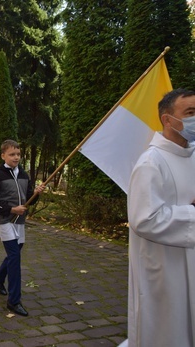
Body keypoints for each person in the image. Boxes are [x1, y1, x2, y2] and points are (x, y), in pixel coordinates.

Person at [125, 88, 195, 347]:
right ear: (168, 120)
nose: (194, 119)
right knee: (168, 331)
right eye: (190, 113)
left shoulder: (193, 155)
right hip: (166, 269)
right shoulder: (150, 163)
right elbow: (144, 219)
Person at [0, 139, 44, 317]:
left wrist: (36, 194)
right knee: (15, 257)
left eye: (18, 154)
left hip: (20, 222)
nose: (16, 157)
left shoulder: (25, 175)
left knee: (14, 254)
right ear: (3, 155)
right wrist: (10, 209)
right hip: (5, 221)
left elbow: (28, 200)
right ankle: (14, 300)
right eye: (12, 154)